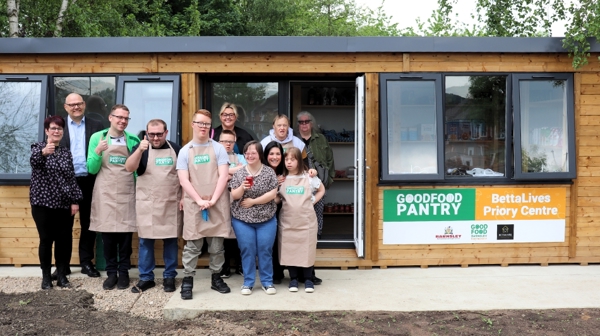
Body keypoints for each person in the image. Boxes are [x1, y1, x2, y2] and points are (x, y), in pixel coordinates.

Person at [177, 109, 232, 300]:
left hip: (217, 203)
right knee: (192, 246)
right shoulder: (185, 151)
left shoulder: (218, 148)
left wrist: (213, 200)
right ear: (193, 124)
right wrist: (200, 200)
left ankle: (216, 278)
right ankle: (188, 280)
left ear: (211, 128)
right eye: (200, 123)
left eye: (207, 124)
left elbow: (224, 176)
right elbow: (184, 180)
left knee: (217, 246)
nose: (203, 127)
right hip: (195, 204)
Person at [125, 119, 182, 293]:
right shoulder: (141, 149)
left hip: (170, 203)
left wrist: (184, 198)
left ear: (166, 133)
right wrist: (139, 151)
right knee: (146, 243)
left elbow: (185, 175)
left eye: (159, 134)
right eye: (152, 134)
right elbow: (129, 168)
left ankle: (169, 276)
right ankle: (146, 278)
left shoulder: (176, 149)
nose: (155, 138)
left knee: (171, 241)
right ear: (146, 134)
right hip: (147, 204)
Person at [87, 104, 140, 291]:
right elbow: (91, 169)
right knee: (108, 236)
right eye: (119, 117)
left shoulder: (132, 140)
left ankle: (124, 272)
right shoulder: (97, 138)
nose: (122, 121)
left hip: (126, 192)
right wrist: (97, 152)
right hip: (106, 193)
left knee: (126, 237)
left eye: (126, 118)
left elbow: (135, 170)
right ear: (110, 118)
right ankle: (111, 273)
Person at [30, 115, 83, 289]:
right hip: (43, 203)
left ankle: (61, 276)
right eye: (53, 128)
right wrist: (43, 153)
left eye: (59, 128)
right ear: (46, 131)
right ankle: (46, 277)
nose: (56, 131)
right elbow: (34, 162)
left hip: (63, 204)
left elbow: (71, 178)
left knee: (64, 241)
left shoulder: (66, 152)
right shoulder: (38, 148)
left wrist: (75, 201)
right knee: (46, 240)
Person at [59, 93, 104, 280]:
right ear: (65, 107)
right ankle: (63, 265)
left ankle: (86, 262)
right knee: (63, 225)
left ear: (84, 105)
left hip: (89, 180)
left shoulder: (97, 126)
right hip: (65, 182)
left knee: (88, 224)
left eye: (79, 104)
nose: (76, 107)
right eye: (72, 104)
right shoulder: (57, 127)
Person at [229, 141, 279, 295]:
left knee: (265, 249)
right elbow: (234, 195)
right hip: (242, 219)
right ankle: (248, 283)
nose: (249, 155)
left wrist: (253, 201)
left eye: (253, 153)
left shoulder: (269, 172)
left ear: (260, 155)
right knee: (247, 249)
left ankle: (267, 282)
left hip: (267, 218)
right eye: (247, 153)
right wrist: (243, 187)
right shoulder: (239, 173)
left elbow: (273, 194)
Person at [276, 147, 325, 293]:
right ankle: (293, 279)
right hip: (288, 223)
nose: (289, 162)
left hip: (306, 222)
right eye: (287, 159)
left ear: (299, 160)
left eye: (293, 159)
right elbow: (278, 198)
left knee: (307, 250)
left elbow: (322, 189)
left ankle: (308, 279)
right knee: (290, 250)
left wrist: (312, 201)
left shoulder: (309, 178)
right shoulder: (282, 179)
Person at [295, 111, 335, 238]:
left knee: (318, 208)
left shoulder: (321, 139)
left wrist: (328, 179)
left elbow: (330, 160)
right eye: (301, 122)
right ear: (298, 125)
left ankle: (317, 234)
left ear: (311, 123)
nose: (304, 124)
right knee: (299, 209)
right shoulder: (294, 139)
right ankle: (302, 235)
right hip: (298, 180)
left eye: (307, 121)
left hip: (318, 181)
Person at [218, 129, 246, 279]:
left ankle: (240, 264)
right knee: (223, 233)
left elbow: (246, 171)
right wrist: (234, 170)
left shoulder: (241, 157)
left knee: (239, 231)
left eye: (230, 141)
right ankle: (225, 266)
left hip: (238, 199)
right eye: (224, 141)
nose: (227, 144)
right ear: (219, 142)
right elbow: (216, 173)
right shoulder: (215, 157)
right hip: (220, 198)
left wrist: (227, 172)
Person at [263, 141, 286, 284]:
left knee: (285, 240)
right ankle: (274, 272)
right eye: (271, 154)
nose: (275, 157)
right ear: (266, 155)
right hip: (268, 210)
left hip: (288, 210)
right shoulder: (262, 170)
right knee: (271, 242)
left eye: (278, 154)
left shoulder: (287, 169)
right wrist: (275, 184)